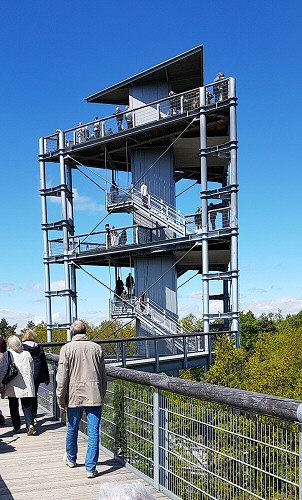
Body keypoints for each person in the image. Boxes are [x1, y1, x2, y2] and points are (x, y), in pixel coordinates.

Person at [56, 320, 107, 478]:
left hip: (74, 395)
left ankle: (71, 459)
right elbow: (103, 376)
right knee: (93, 433)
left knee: (72, 428)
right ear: (85, 331)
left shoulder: (67, 349)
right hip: (94, 395)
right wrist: (101, 393)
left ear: (72, 332)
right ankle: (91, 468)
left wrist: (60, 398)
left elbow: (62, 377)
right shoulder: (97, 348)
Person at [0, 335, 35, 435]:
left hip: (13, 384)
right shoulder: (27, 353)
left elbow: (3, 371)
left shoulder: (8, 354)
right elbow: (32, 368)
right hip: (26, 382)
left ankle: (16, 427)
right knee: (27, 405)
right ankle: (30, 424)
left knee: (13, 405)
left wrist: (2, 384)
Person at [22, 329, 50, 423]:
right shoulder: (39, 347)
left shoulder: (22, 347)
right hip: (37, 373)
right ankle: (34, 415)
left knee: (26, 396)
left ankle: (28, 418)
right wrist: (47, 376)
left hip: (26, 373)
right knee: (34, 394)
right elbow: (44, 363)